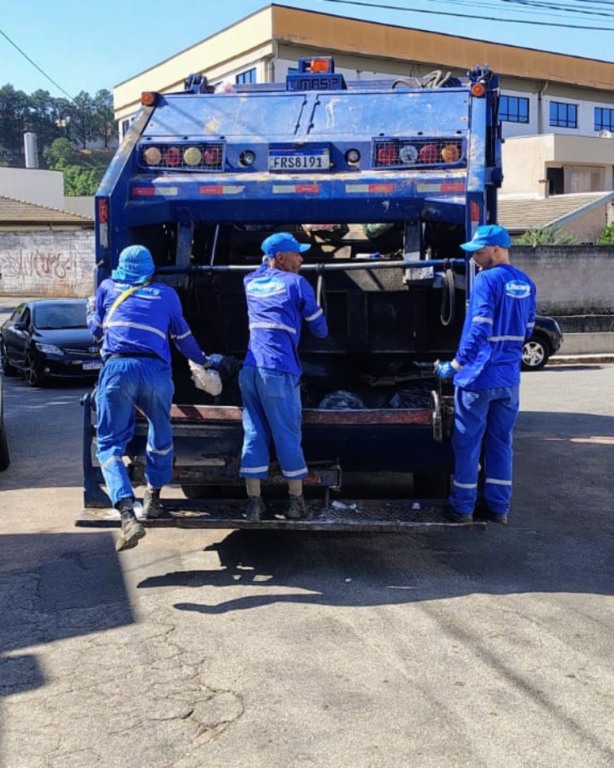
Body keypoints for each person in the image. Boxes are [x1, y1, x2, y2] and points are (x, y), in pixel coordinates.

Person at [87, 245, 213, 552]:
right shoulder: (166, 295)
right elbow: (183, 340)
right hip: (155, 372)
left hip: (117, 369)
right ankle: (154, 496)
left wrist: (90, 309)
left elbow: (95, 332)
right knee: (160, 431)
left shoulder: (106, 288)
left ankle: (128, 514)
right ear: (150, 270)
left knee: (110, 444)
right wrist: (205, 363)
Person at [435, 224, 536, 525]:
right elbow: (528, 328)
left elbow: (479, 329)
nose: (475, 259)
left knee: (467, 444)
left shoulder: (486, 281)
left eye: (479, 252)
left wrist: (454, 366)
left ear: (496, 249)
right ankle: (497, 508)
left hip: (478, 377)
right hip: (508, 379)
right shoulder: (526, 283)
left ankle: (462, 508)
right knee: (501, 443)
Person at [239, 232, 328, 521]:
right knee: (287, 435)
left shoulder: (250, 282)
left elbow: (261, 272)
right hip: (279, 370)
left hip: (250, 370)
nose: (302, 259)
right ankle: (296, 502)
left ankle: (254, 503)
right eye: (296, 254)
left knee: (253, 434)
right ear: (280, 257)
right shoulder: (296, 283)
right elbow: (320, 329)